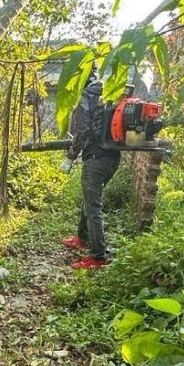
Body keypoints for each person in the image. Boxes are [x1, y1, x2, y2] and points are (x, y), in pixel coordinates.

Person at [61, 76, 120, 270]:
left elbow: (81, 133)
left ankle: (98, 256)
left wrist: (70, 156)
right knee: (89, 199)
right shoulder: (111, 95)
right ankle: (82, 238)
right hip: (112, 159)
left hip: (94, 159)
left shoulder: (86, 101)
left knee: (93, 206)